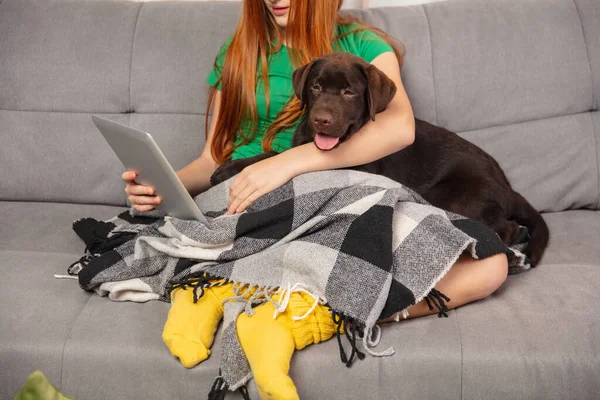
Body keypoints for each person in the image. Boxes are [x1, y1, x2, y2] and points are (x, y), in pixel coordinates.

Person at [122, 1, 509, 398]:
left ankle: (270, 309)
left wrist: (287, 163)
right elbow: (213, 158)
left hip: (314, 182)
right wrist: (163, 185)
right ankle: (214, 295)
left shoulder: (363, 45)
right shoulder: (239, 51)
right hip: (242, 190)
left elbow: (400, 130)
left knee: (490, 266)